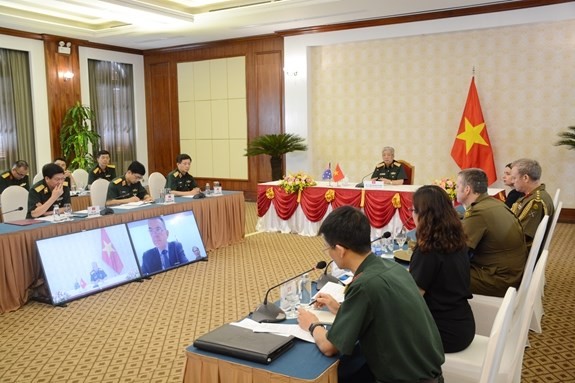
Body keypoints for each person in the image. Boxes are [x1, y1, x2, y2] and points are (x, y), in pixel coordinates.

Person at [297, 206, 444, 383]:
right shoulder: (393, 268)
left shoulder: (364, 285)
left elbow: (329, 347)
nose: (328, 253)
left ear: (340, 250)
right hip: (429, 374)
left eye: (327, 248)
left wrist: (312, 325)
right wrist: (339, 308)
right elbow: (381, 310)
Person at [409, 185, 475, 353]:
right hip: (462, 323)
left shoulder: (428, 249)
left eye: (414, 210)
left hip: (443, 332)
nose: (412, 215)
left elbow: (412, 299)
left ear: (424, 216)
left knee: (380, 328)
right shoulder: (456, 238)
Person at [456, 168, 527, 297]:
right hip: (510, 272)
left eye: (457, 186)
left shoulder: (478, 212)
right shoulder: (494, 203)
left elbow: (458, 249)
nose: (455, 190)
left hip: (498, 279)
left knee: (439, 276)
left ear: (467, 189)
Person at [510, 158, 555, 247]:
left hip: (517, 252)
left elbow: (522, 236)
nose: (512, 181)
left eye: (514, 178)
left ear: (525, 178)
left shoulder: (536, 202)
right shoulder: (532, 195)